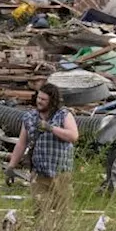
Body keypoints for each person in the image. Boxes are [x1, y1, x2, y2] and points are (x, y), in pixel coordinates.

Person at [6, 84, 79, 222]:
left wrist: (50, 128)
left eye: (43, 99)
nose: (39, 101)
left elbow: (73, 136)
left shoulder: (63, 115)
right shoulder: (29, 117)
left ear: (52, 101)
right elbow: (22, 143)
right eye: (39, 98)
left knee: (64, 214)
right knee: (40, 213)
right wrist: (11, 166)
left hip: (61, 173)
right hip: (38, 173)